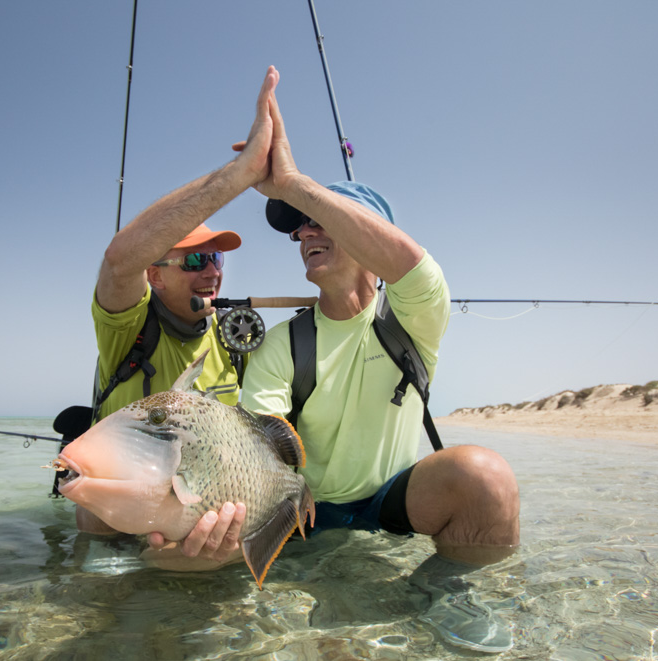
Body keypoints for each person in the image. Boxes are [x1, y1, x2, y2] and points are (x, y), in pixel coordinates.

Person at [167, 65, 521, 653]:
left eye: (322, 219)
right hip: (300, 510)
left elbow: (416, 268)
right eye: (299, 227)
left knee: (483, 477)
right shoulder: (283, 343)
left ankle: (448, 589)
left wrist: (295, 184)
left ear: (369, 236)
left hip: (389, 500)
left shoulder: (415, 314)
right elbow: (259, 444)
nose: (306, 231)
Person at [76, 67, 284, 549]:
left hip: (202, 517)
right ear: (155, 274)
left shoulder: (234, 344)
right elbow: (117, 262)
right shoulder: (128, 326)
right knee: (92, 525)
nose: (212, 270)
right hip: (124, 524)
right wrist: (239, 176)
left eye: (216, 258)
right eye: (194, 259)